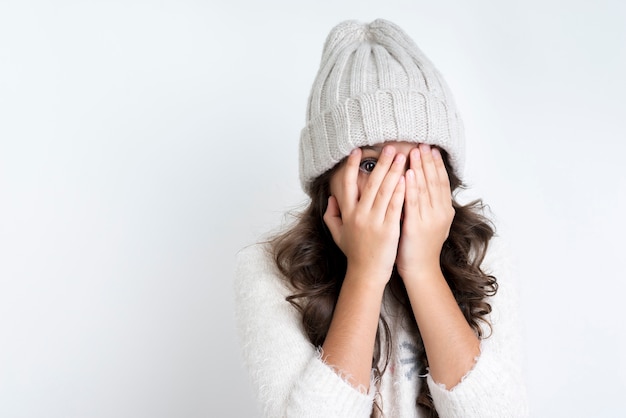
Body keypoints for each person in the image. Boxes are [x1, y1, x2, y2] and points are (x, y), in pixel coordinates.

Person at [234, 18, 529, 418]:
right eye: (371, 165)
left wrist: (423, 270)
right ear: (328, 178)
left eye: (416, 163)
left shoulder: (482, 253)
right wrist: (366, 272)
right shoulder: (270, 268)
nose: (395, 187)